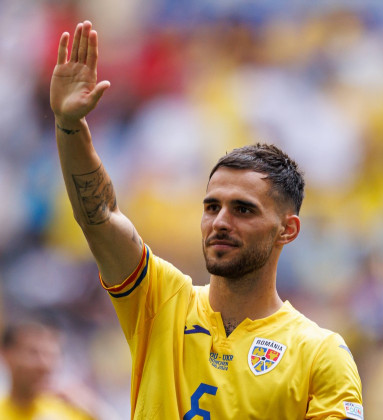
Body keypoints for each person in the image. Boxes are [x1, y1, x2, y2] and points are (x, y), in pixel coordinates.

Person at [50, 20, 364, 419]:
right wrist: (69, 126)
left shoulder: (319, 354)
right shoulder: (162, 302)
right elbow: (98, 216)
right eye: (212, 206)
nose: (220, 221)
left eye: (243, 209)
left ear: (288, 229)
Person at [0, 320, 110, 420]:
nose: (44, 364)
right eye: (34, 353)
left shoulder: (74, 414)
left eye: (52, 354)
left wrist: (97, 410)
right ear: (3, 354)